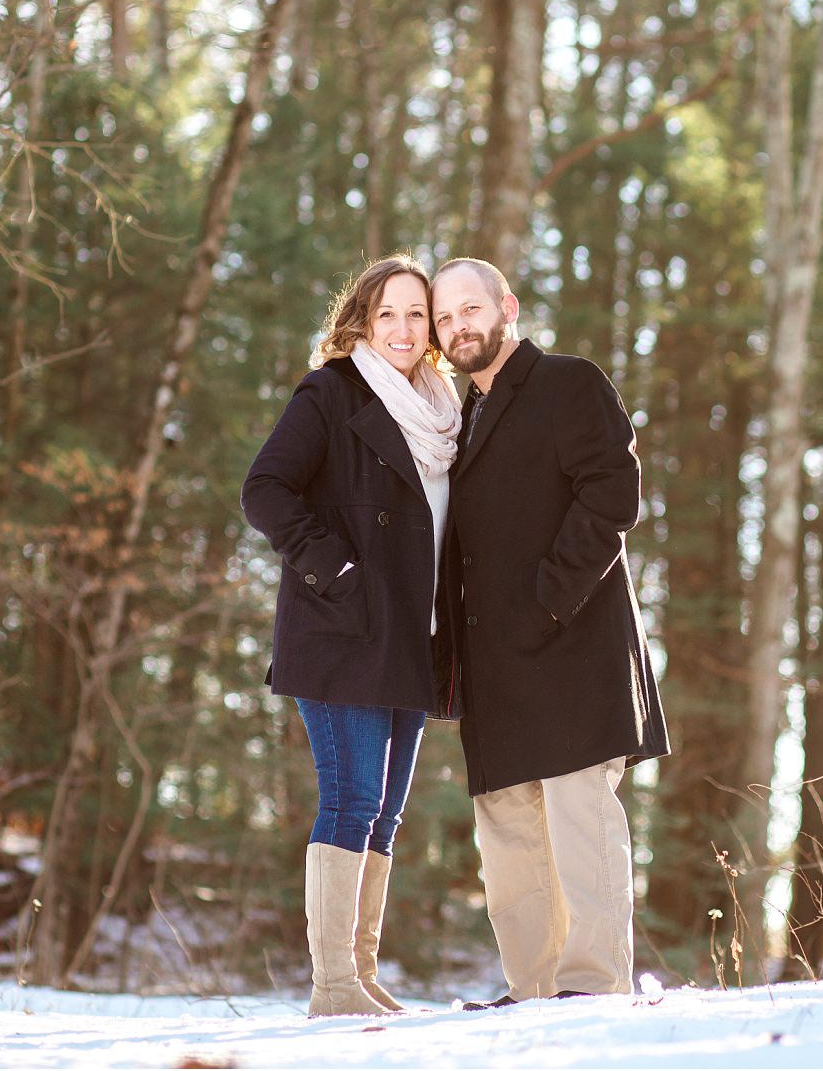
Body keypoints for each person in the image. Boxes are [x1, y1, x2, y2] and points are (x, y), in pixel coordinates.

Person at [432, 256, 670, 1007]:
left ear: (506, 306)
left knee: (577, 816)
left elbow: (612, 492)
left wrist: (548, 599)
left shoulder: (570, 381)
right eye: (443, 317)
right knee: (506, 834)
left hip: (572, 641)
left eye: (469, 307)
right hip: (491, 660)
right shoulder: (454, 416)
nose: (456, 326)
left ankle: (592, 985)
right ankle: (530, 987)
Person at [241, 254, 461, 1016]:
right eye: (388, 313)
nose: (403, 329)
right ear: (362, 321)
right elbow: (263, 488)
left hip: (411, 636)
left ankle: (361, 973)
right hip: (341, 629)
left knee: (386, 811)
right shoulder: (331, 392)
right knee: (350, 798)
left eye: (416, 315)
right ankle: (331, 983)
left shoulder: (439, 409)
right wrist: (333, 568)